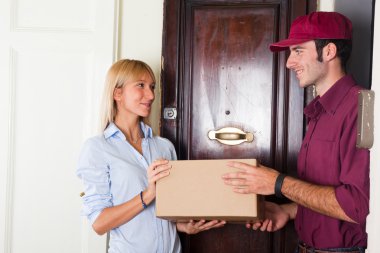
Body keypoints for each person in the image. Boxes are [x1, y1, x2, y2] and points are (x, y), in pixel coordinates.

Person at [222, 11, 369, 253]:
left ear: (329, 51)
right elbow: (324, 193)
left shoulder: (361, 108)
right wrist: (287, 211)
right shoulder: (318, 111)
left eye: (298, 50)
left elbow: (356, 207)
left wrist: (277, 183)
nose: (289, 62)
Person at [77, 59, 225, 252]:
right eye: (141, 85)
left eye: (152, 87)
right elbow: (99, 223)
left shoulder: (164, 147)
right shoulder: (97, 149)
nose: (151, 95)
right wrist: (147, 195)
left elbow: (167, 209)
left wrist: (182, 225)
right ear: (117, 93)